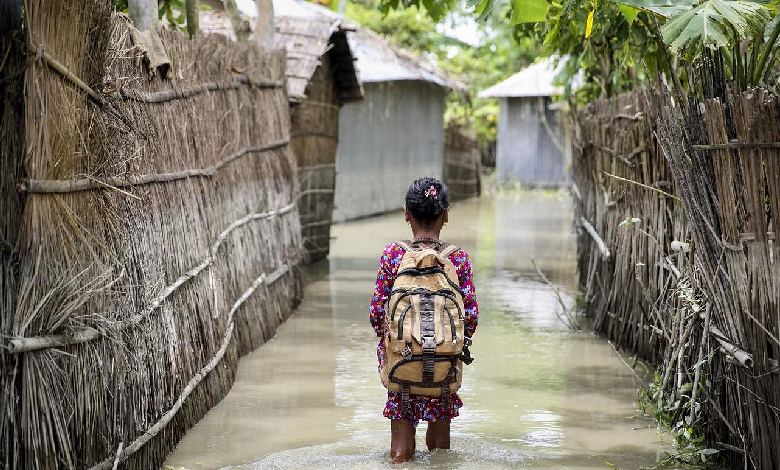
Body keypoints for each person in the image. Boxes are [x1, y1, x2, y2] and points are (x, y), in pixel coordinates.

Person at [369, 177, 479, 463]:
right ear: (446, 214)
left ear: (406, 212)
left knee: (401, 445)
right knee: (441, 451)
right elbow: (472, 318)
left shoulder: (394, 256)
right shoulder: (459, 260)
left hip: (401, 358)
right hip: (444, 362)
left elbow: (376, 314)